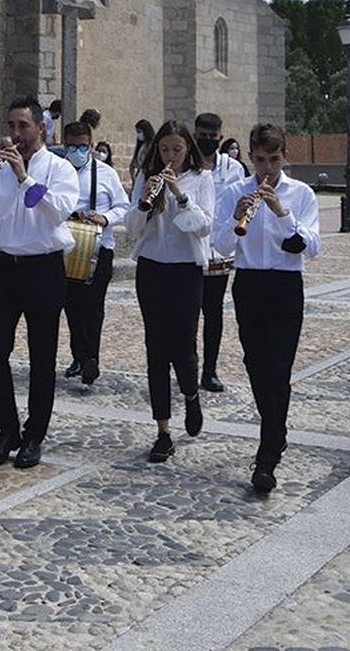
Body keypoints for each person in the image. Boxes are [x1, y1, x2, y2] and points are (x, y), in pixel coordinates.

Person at [0, 96, 81, 470]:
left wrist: (23, 176)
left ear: (40, 129)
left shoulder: (60, 169)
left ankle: (34, 434)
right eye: (11, 126)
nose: (15, 134)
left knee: (41, 357)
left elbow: (56, 212)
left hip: (44, 269)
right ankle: (7, 428)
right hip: (5, 267)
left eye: (23, 127)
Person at [212, 123, 321, 492]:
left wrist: (280, 213)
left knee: (279, 367)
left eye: (274, 160)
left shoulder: (300, 193)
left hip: (286, 285)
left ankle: (268, 452)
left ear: (284, 156)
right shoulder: (234, 192)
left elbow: (311, 246)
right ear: (250, 156)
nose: (267, 169)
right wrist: (235, 216)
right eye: (260, 160)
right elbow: (222, 246)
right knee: (255, 365)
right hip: (249, 283)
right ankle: (276, 427)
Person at [127, 119, 216, 464]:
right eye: (164, 149)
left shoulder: (201, 179)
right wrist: (146, 202)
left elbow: (203, 227)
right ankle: (163, 430)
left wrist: (179, 194)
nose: (170, 156)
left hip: (185, 270)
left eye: (177, 150)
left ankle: (191, 395)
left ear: (187, 149)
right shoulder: (145, 179)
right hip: (151, 267)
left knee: (183, 344)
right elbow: (132, 229)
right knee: (156, 348)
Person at [59, 120, 128, 387]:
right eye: (72, 146)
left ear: (90, 144)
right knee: (71, 306)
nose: (77, 151)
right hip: (66, 248)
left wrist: (105, 217)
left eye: (82, 146)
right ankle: (79, 356)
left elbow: (123, 205)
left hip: (99, 250)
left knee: (93, 306)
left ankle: (91, 359)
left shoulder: (106, 173)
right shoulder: (59, 171)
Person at [195, 112, 245, 393]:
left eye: (213, 138)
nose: (207, 141)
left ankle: (210, 370)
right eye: (202, 136)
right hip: (191, 250)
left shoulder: (233, 169)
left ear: (220, 138)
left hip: (219, 252)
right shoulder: (188, 164)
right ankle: (188, 366)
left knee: (213, 313)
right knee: (188, 314)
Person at [129, 119, 155, 188]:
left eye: (139, 132)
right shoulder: (141, 145)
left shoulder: (153, 145)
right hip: (139, 176)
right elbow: (133, 163)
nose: (138, 134)